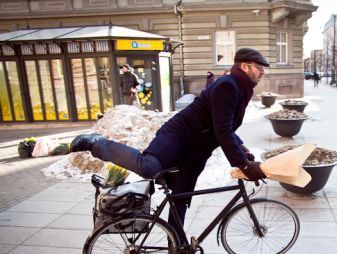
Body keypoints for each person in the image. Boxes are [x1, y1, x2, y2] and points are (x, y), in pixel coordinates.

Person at [70, 48, 269, 243]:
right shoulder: (228, 85)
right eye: (260, 67)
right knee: (149, 167)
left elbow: (226, 126)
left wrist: (244, 151)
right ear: (245, 66)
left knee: (181, 196)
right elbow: (223, 131)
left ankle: (177, 243)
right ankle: (98, 143)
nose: (263, 72)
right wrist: (242, 164)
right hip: (178, 135)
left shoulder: (240, 89)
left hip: (195, 149)